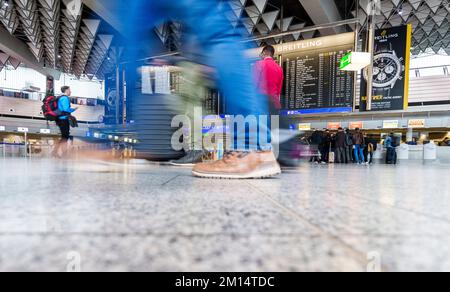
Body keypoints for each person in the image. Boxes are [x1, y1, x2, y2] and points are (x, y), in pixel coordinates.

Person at [118, 0, 280, 179]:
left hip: (198, 62)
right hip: (267, 99)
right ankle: (253, 148)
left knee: (214, 31)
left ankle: (250, 148)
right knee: (136, 20)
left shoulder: (260, 65)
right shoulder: (277, 68)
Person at [52, 86, 76, 158]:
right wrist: (73, 109)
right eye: (69, 90)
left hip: (61, 119)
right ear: (66, 90)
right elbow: (66, 109)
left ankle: (59, 152)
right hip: (63, 119)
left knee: (65, 137)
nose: (70, 91)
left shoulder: (61, 98)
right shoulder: (65, 98)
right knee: (65, 137)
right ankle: (56, 152)